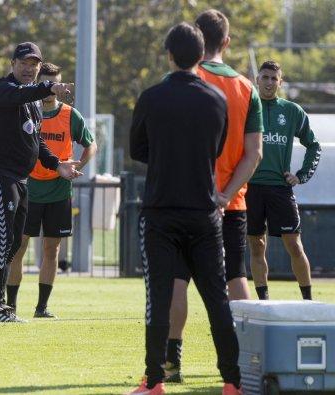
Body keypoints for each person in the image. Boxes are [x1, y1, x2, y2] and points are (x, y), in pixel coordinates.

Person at [127, 23, 241, 395]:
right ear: (202, 53)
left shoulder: (151, 97)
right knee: (217, 299)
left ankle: (154, 380)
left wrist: (164, 156)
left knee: (158, 298)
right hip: (205, 212)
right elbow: (217, 147)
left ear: (169, 55)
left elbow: (137, 150)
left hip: (161, 211)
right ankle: (232, 381)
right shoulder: (217, 100)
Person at [164, 9, 264, 383]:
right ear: (227, 41)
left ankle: (171, 362)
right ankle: (250, 360)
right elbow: (254, 154)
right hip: (231, 202)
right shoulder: (246, 88)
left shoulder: (182, 79)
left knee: (177, 279)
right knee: (236, 278)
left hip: (187, 200)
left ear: (195, 38)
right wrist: (226, 194)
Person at [0, 42, 81, 323]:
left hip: (20, 180)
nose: (29, 68)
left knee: (13, 243)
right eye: (24, 63)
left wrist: (57, 165)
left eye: (34, 64)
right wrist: (49, 89)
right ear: (12, 64)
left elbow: (37, 142)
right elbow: (19, 95)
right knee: (2, 241)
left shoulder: (34, 102)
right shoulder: (3, 89)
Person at [5, 62, 97, 318]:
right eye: (46, 83)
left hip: (59, 192)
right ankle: (10, 305)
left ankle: (41, 307)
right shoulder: (26, 110)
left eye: (54, 84)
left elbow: (90, 144)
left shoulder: (69, 115)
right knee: (19, 247)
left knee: (52, 249)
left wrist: (79, 163)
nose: (50, 89)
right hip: (29, 190)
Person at [247, 60, 321, 301]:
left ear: (280, 82)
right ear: (257, 79)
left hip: (280, 189)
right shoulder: (246, 108)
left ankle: (307, 301)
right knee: (257, 245)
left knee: (295, 245)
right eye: (265, 77)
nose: (269, 82)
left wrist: (300, 175)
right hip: (251, 188)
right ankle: (263, 302)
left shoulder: (291, 111)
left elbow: (314, 145)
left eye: (273, 78)